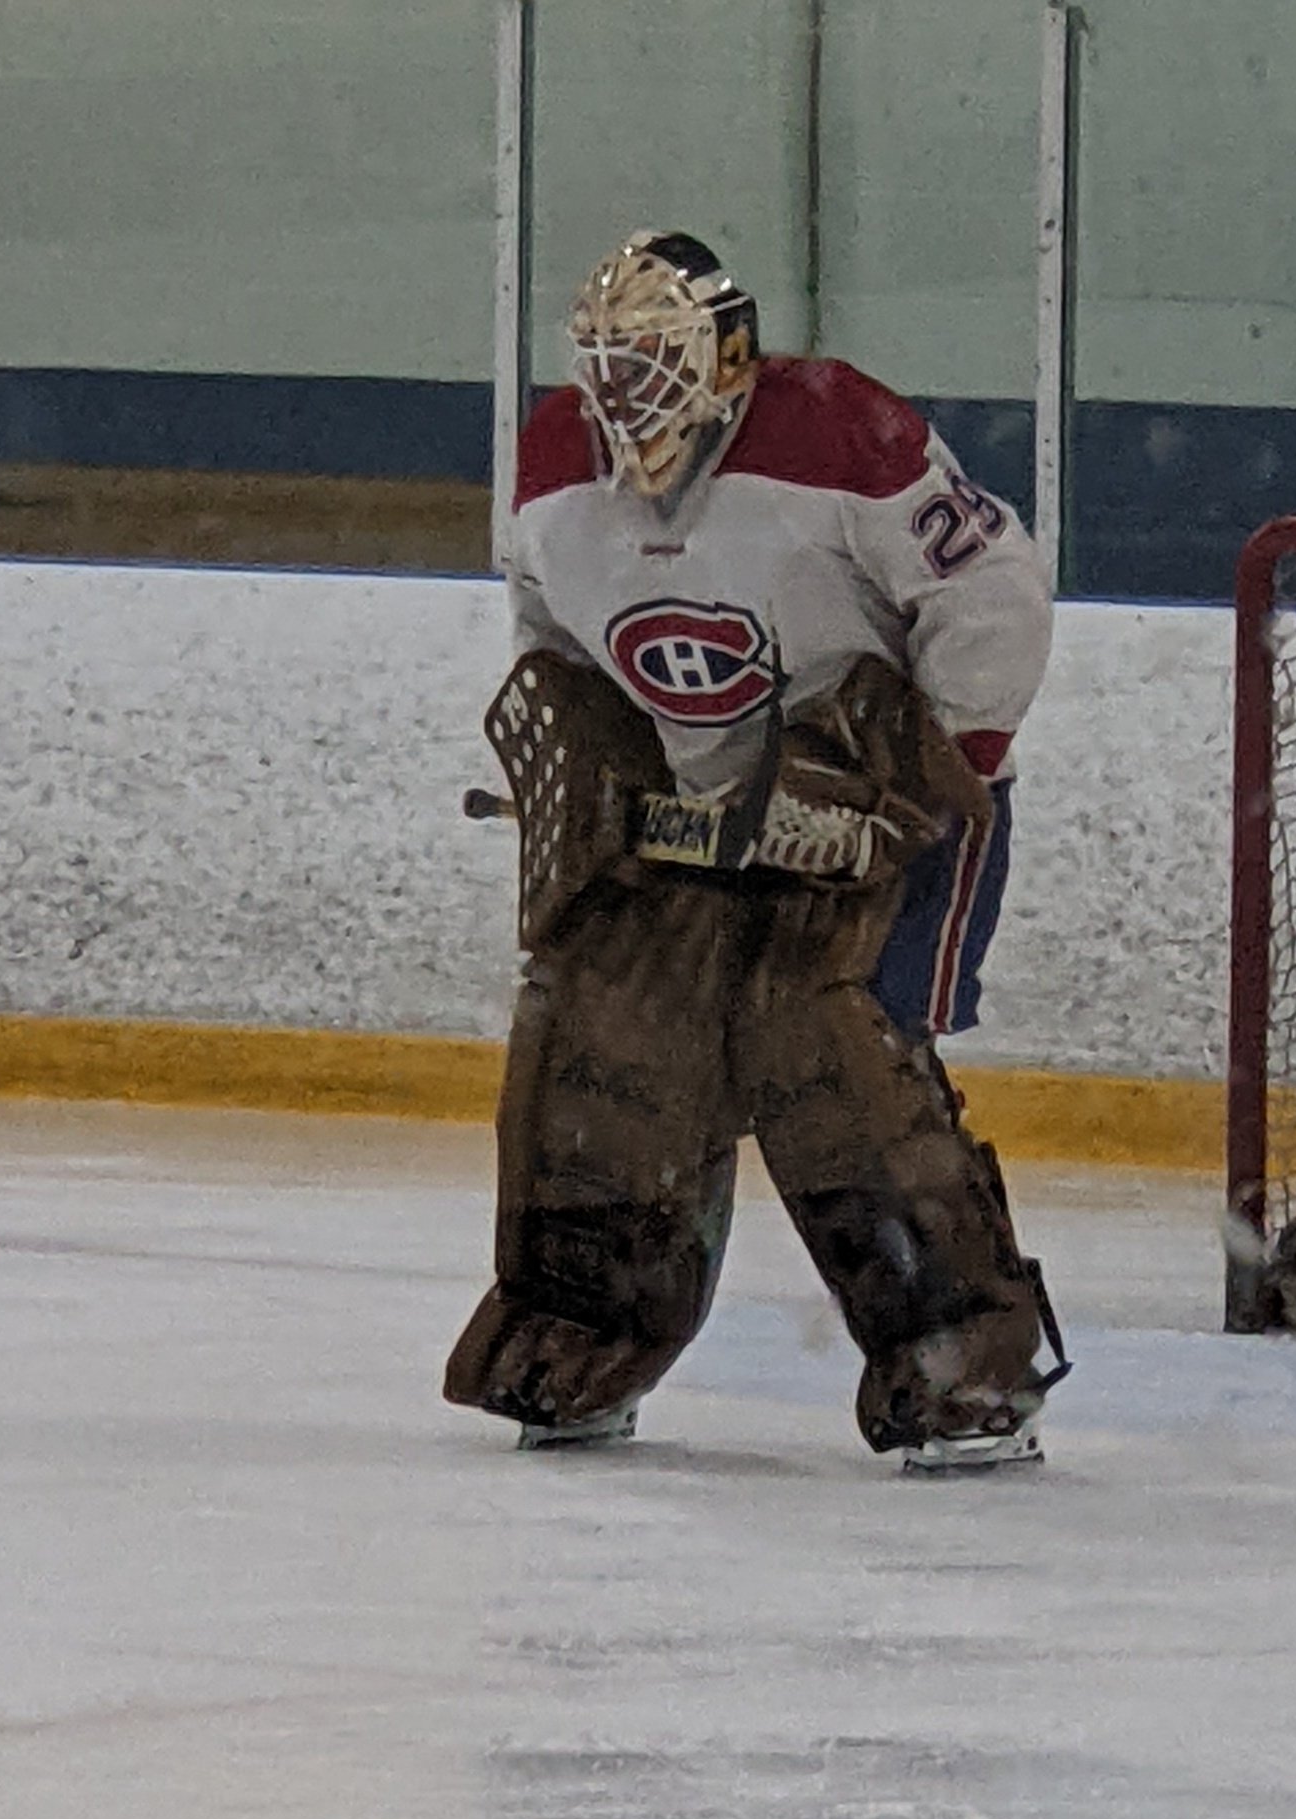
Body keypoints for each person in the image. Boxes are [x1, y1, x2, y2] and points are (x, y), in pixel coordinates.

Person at [443, 229, 1066, 1471]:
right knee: (601, 1047)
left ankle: (956, 1358)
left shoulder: (838, 431)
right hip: (689, 828)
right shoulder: (554, 463)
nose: (623, 395)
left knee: (824, 1050)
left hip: (870, 816)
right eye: (605, 364)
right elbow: (552, 635)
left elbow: (991, 590)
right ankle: (582, 1338)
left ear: (728, 356)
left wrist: (922, 777)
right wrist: (593, 758)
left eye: (654, 361)